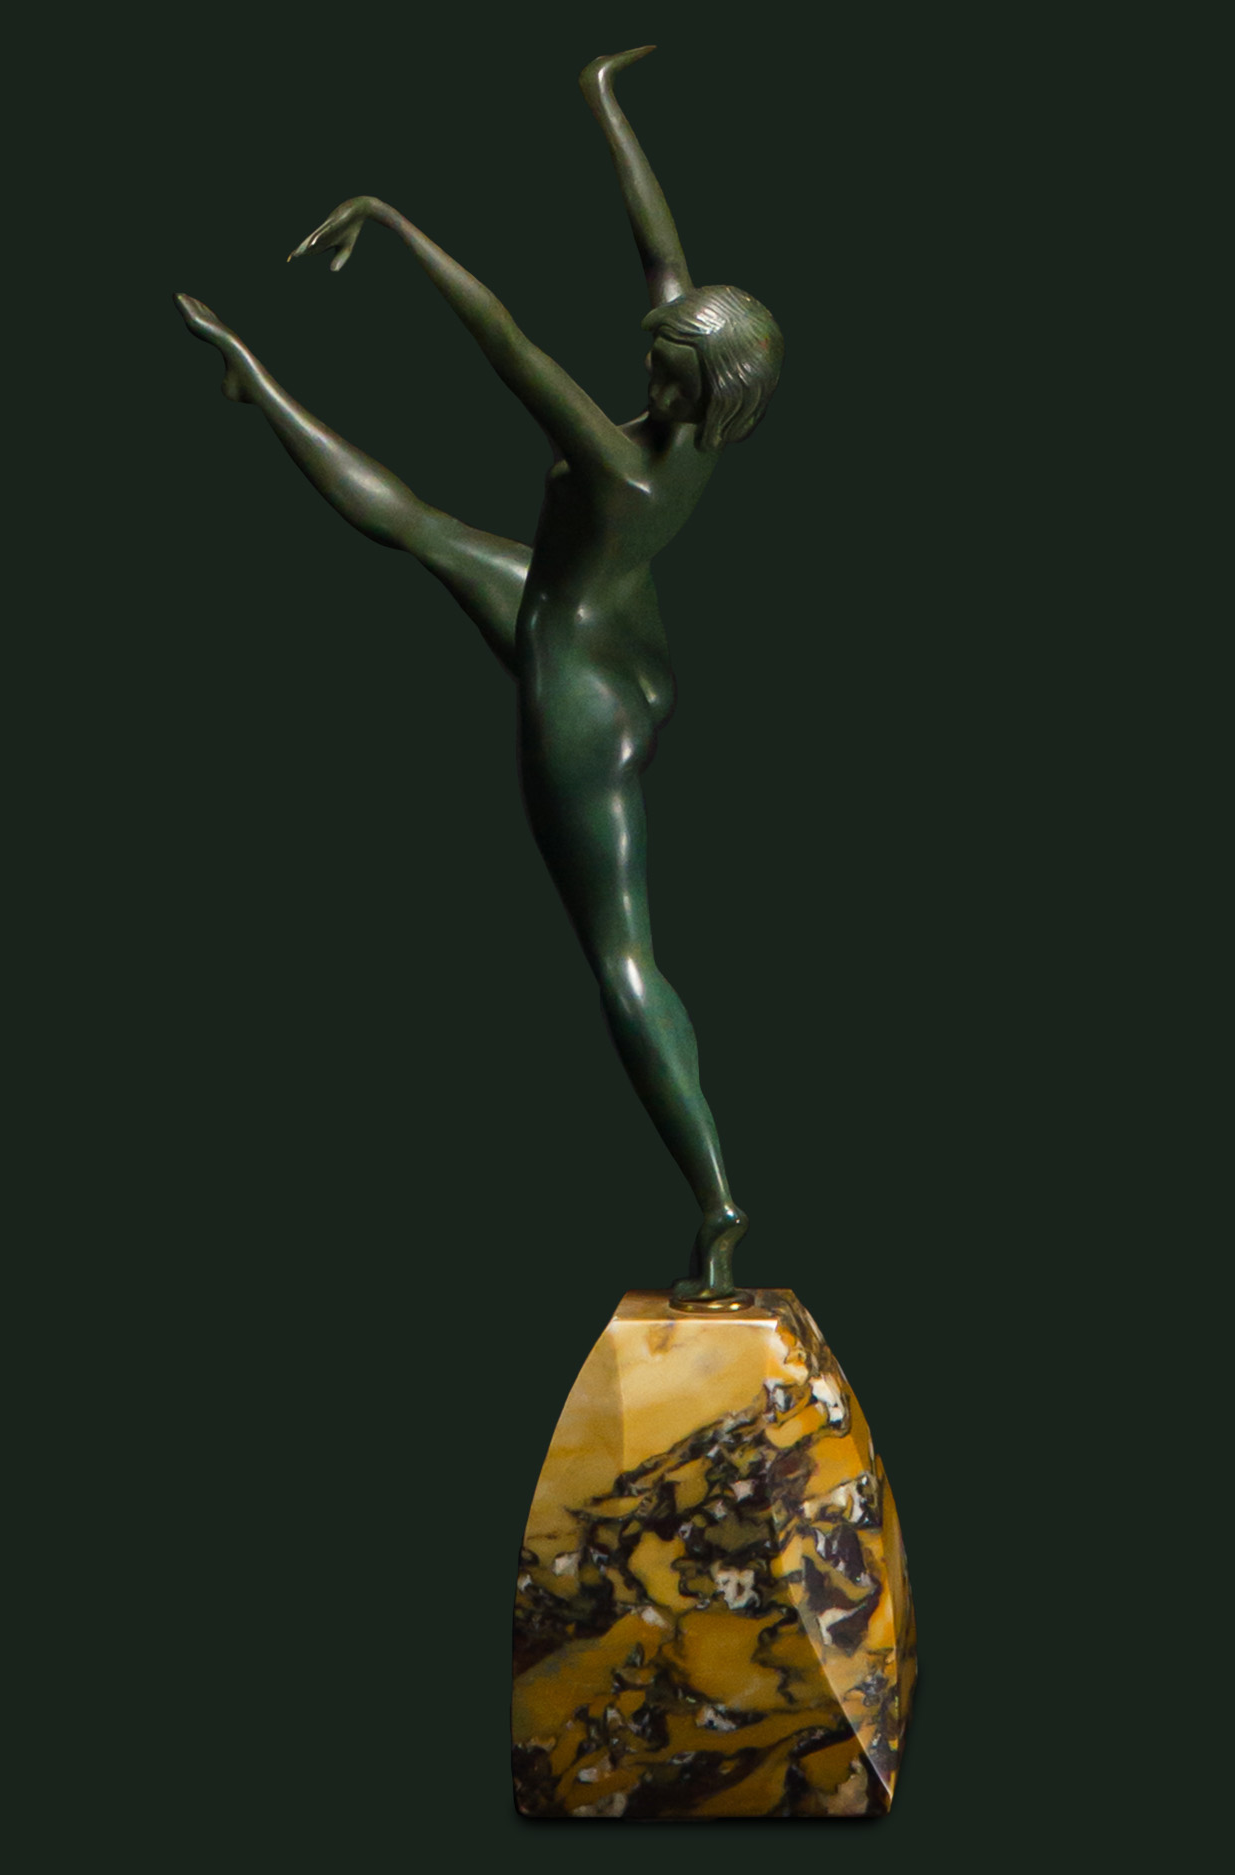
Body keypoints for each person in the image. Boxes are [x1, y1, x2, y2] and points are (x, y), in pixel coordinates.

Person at [175, 47, 783, 1299]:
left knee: (621, 956)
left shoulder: (623, 471)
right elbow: (662, 255)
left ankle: (717, 1194)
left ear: (697, 385)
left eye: (664, 362)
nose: (648, 357)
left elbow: (508, 347)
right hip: (614, 635)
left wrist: (397, 223)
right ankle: (255, 378)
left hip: (576, 687)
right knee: (422, 529)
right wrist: (600, 98)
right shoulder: (704, 431)